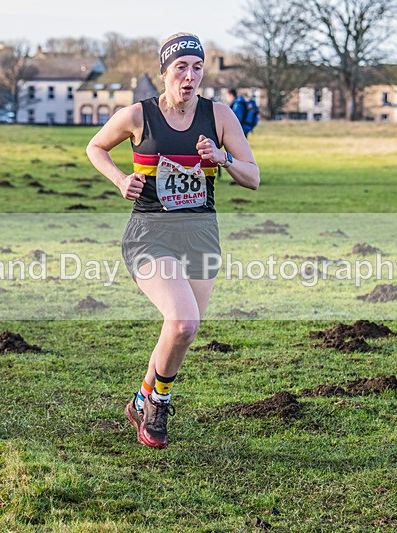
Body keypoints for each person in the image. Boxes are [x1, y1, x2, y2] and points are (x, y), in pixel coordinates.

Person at [86, 32, 260, 449]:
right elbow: (95, 147)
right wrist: (119, 178)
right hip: (150, 232)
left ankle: (140, 398)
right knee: (183, 321)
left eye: (197, 67)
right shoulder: (137, 115)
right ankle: (158, 403)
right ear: (164, 72)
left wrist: (224, 158)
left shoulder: (219, 116)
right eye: (180, 67)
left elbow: (252, 177)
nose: (190, 76)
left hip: (200, 234)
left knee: (180, 331)